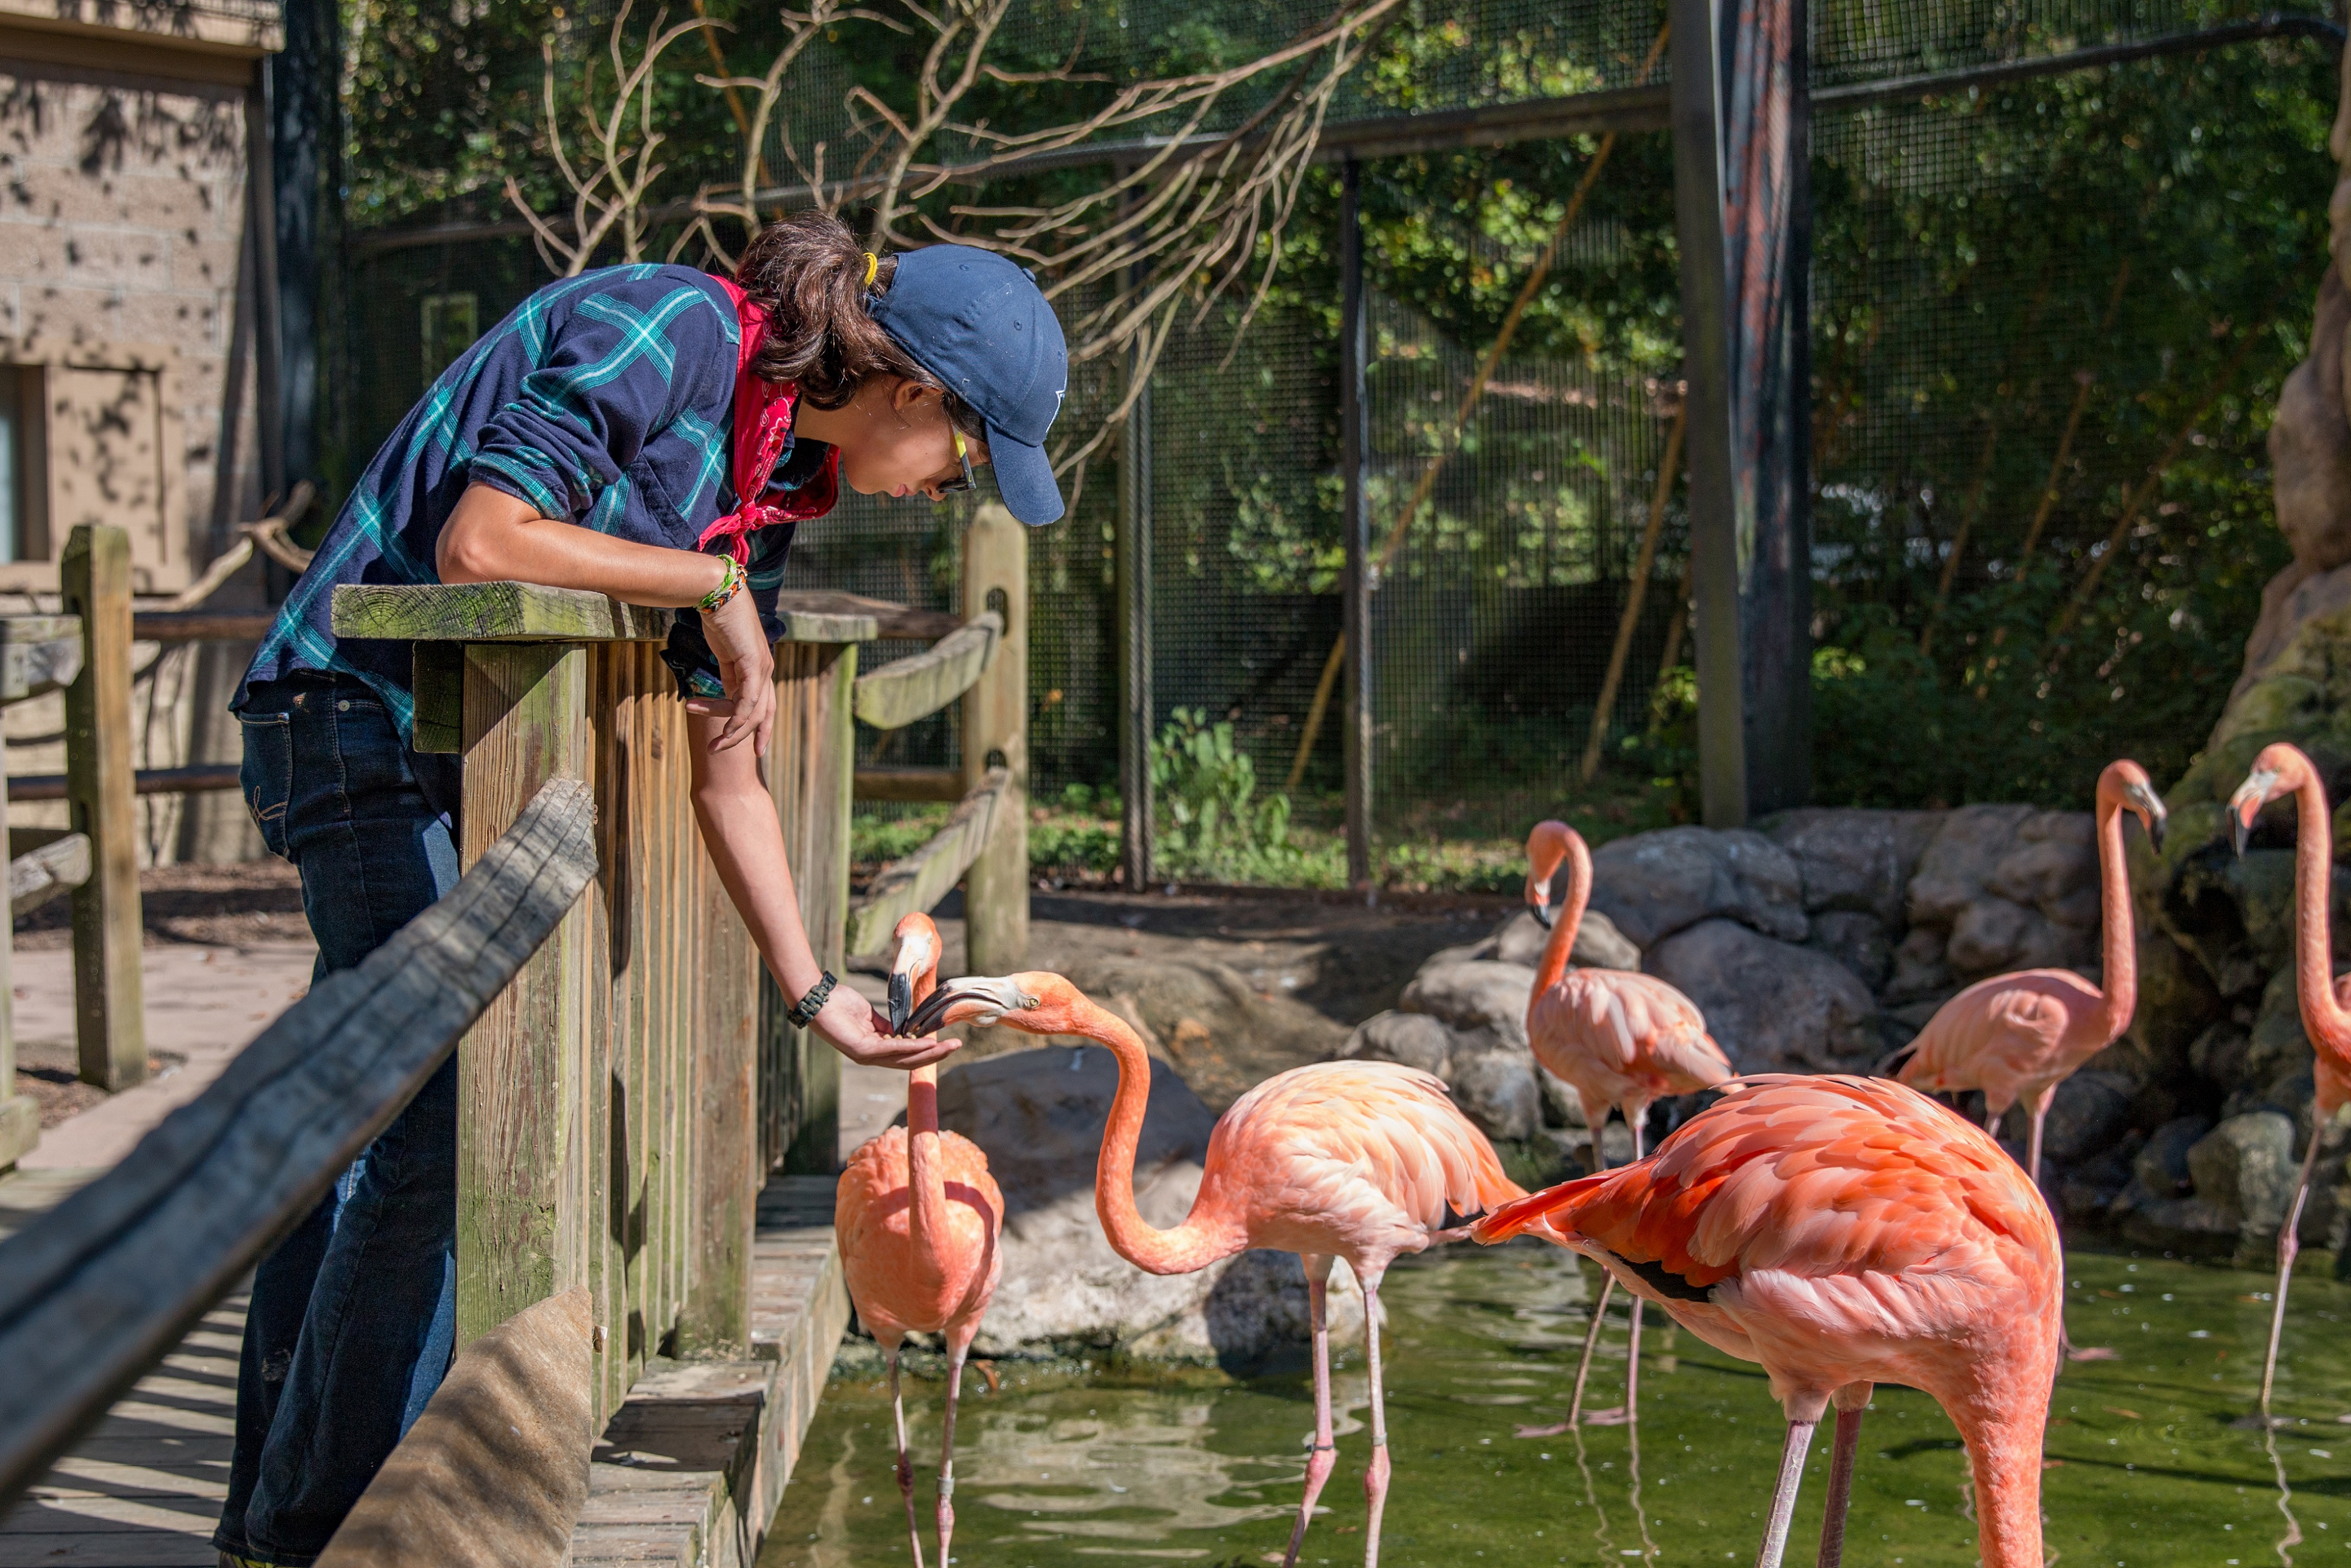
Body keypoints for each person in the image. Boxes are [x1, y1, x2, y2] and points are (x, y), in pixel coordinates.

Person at [213, 211, 1068, 1568]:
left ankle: (275, 1517)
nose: (951, 484)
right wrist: (707, 583)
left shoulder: (777, 475)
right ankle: (326, 1525)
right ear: (912, 386)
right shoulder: (674, 326)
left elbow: (729, 767)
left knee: (360, 1111)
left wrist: (814, 993)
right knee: (438, 1117)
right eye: (969, 458)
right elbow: (482, 546)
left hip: (448, 757)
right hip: (358, 718)